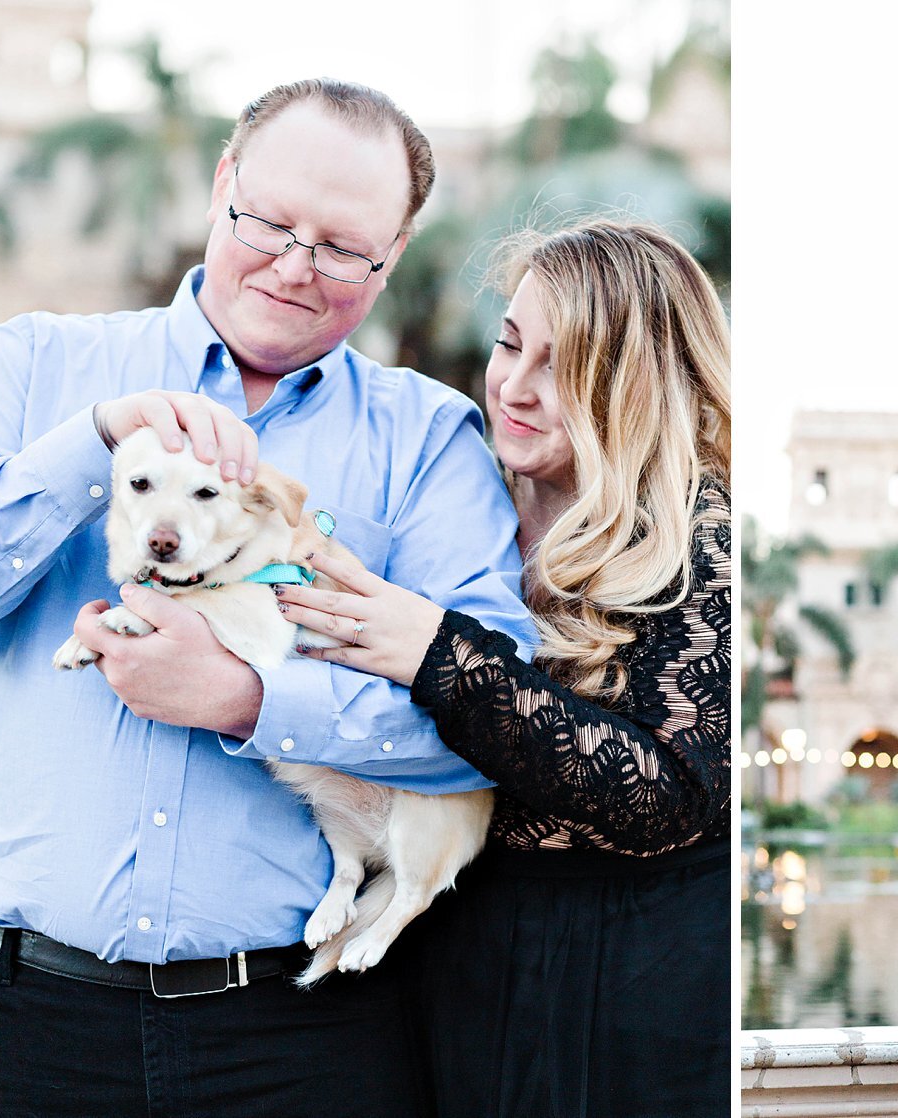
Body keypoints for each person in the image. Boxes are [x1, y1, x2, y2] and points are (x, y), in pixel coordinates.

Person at [0, 79, 535, 1117]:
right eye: (272, 222)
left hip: (299, 1033)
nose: (295, 265)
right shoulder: (36, 367)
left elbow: (497, 715)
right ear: (222, 185)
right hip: (20, 1021)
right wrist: (97, 442)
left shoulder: (431, 443)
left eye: (341, 247)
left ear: (392, 256)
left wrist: (249, 701)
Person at [271, 217, 732, 1117]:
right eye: (508, 344)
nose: (513, 389)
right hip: (449, 953)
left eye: (560, 367)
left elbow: (669, 794)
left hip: (631, 979)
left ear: (635, 386)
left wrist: (438, 654)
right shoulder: (458, 495)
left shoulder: (696, 533)